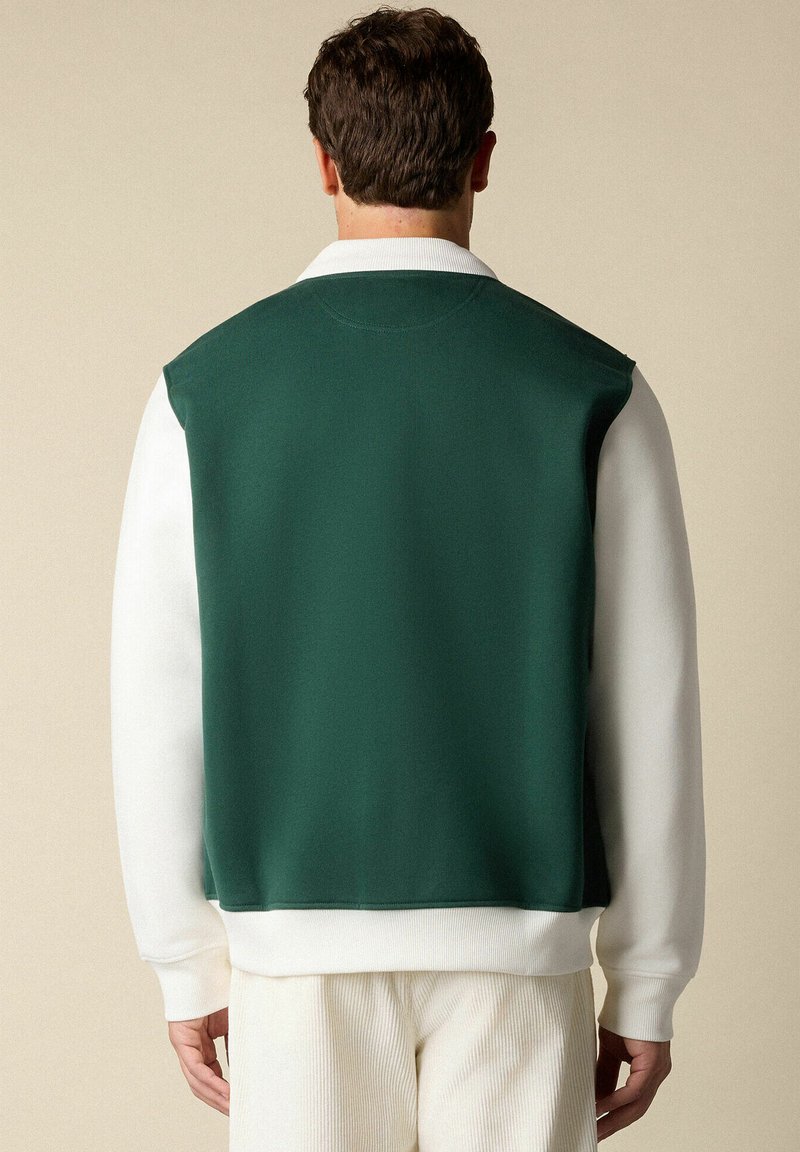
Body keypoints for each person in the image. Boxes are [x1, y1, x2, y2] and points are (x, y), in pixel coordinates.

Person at [110, 7, 705, 1150]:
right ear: (482, 157)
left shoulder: (201, 392)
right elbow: (647, 703)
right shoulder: (593, 392)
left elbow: (156, 694)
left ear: (323, 163)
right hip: (520, 950)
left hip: (291, 950)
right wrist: (645, 978)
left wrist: (185, 960)